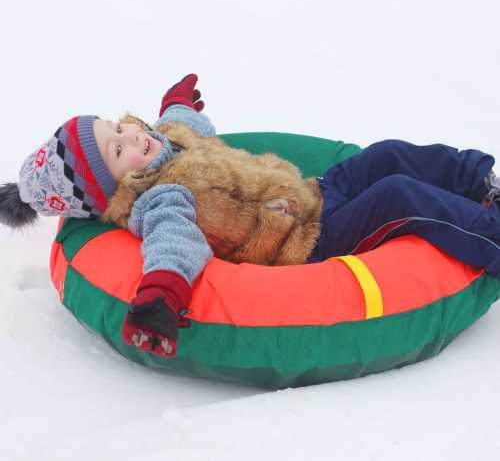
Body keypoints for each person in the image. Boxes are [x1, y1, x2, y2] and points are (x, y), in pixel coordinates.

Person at [1, 74, 500, 360]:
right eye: (117, 148)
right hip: (309, 240)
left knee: (385, 155)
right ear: (110, 188)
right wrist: (161, 292)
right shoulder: (159, 198)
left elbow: (187, 125)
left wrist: (176, 103)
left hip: (313, 194)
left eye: (117, 128)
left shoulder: (168, 143)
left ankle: (479, 180)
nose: (132, 137)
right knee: (397, 195)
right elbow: (175, 243)